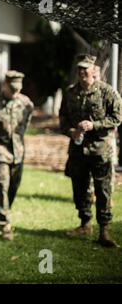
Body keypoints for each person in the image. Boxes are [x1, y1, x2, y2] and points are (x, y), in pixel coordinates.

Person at [59, 54, 122, 247]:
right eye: (80, 68)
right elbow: (62, 119)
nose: (82, 72)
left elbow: (117, 118)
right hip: (77, 150)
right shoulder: (70, 93)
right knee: (79, 188)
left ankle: (104, 230)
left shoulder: (107, 92)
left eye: (86, 68)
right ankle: (85, 223)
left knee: (103, 190)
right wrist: (70, 131)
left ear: (94, 70)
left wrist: (94, 125)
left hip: (100, 150)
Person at [0, 70, 34, 241]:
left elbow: (26, 124)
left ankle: (4, 210)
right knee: (2, 184)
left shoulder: (26, 103)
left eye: (18, 88)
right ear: (5, 85)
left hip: (18, 150)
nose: (16, 91)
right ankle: (4, 224)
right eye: (12, 88)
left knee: (13, 186)